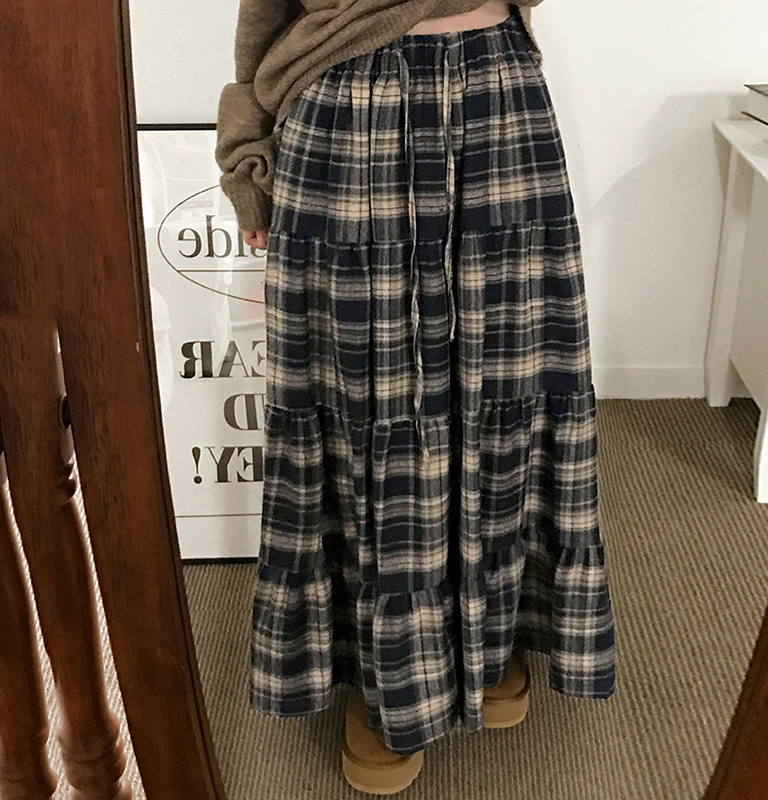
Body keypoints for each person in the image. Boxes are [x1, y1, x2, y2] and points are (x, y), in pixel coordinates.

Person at [215, 0, 617, 793]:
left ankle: (492, 634)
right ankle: (383, 677)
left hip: (498, 95)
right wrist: (246, 153)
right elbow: (264, 11)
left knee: (510, 380)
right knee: (366, 402)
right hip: (346, 102)